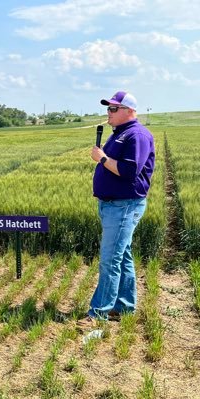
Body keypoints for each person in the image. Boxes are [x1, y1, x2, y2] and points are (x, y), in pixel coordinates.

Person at [78, 91, 155, 329]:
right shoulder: (120, 134)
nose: (108, 113)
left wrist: (101, 158)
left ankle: (98, 313)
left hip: (123, 205)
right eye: (108, 108)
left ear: (129, 111)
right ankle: (123, 307)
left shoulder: (137, 135)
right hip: (112, 205)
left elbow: (129, 171)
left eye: (113, 109)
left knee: (110, 259)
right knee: (122, 257)